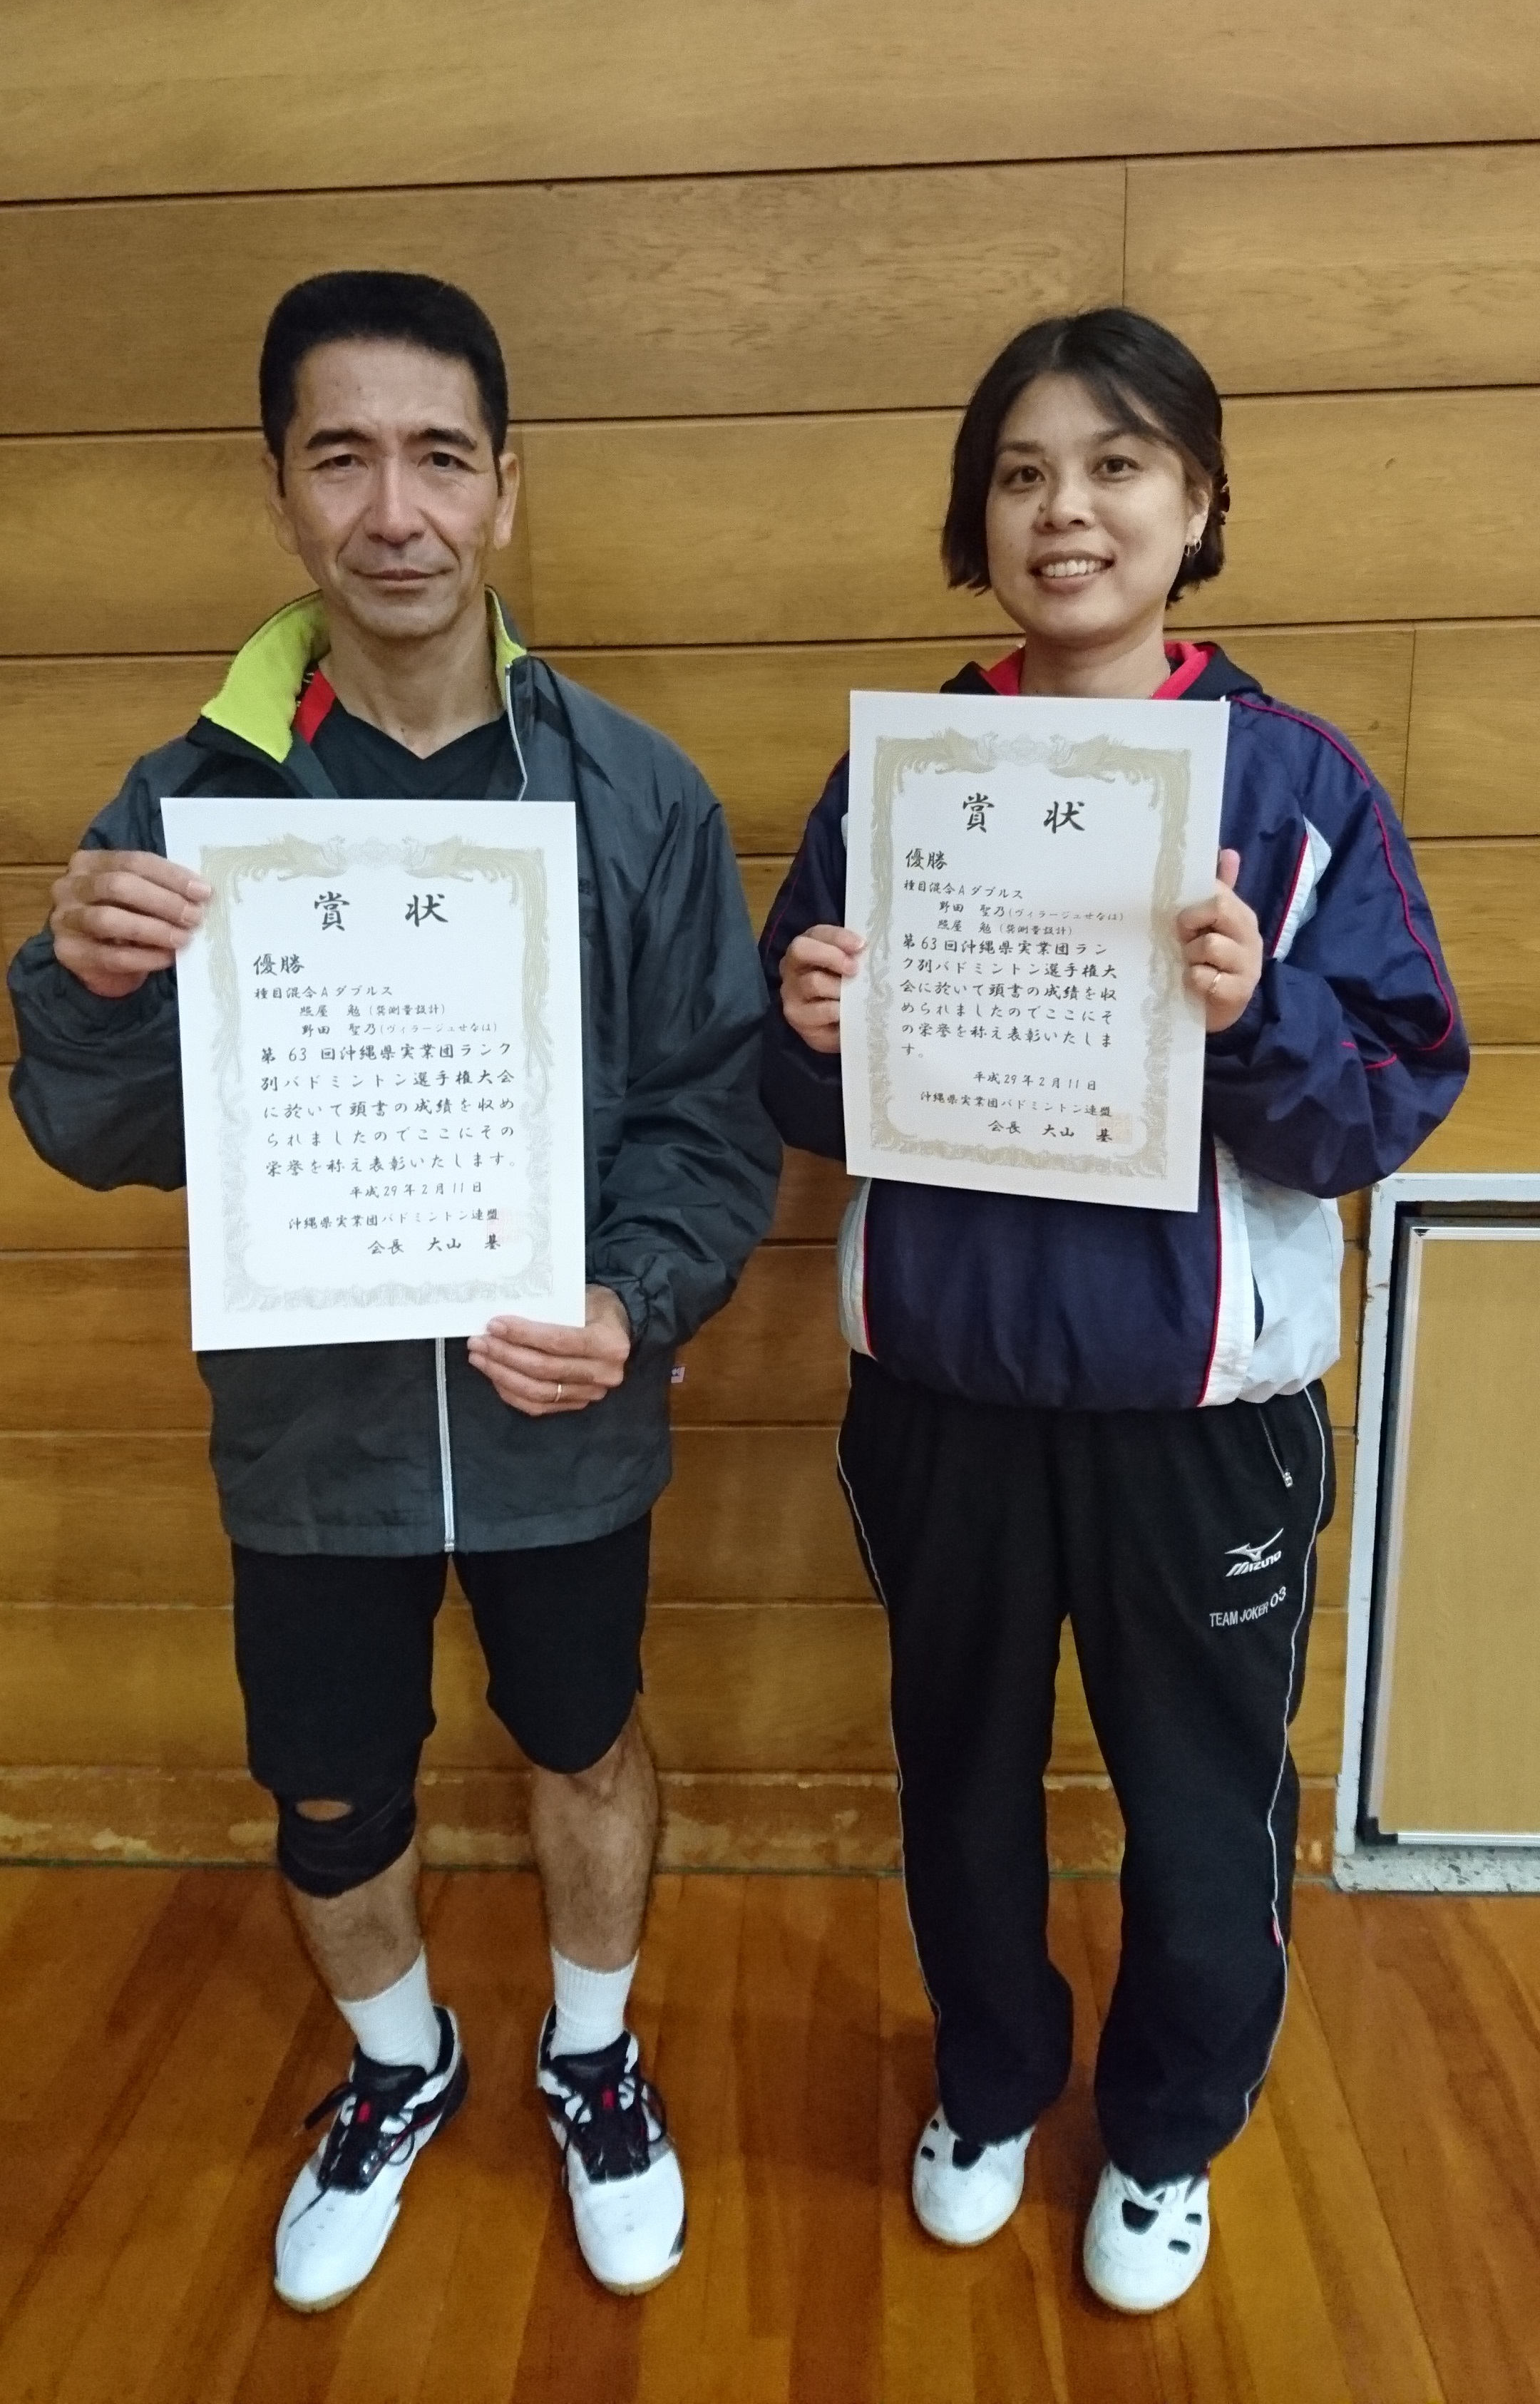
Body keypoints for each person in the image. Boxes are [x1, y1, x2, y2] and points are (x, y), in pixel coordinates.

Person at [9, 269, 781, 2312]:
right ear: (277, 491)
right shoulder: (188, 812)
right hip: (313, 1442)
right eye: (341, 458)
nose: (395, 509)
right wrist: (83, 987)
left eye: (440, 457)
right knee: (334, 1789)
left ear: (506, 487)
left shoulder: (634, 794)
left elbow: (710, 1112)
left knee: (582, 1740)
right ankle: (401, 2063)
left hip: (563, 1416)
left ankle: (592, 2059)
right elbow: (94, 1132)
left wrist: (634, 1299)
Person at [759, 307, 1466, 2315]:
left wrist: (1261, 1014)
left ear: (1200, 502)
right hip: (947, 1397)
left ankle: (1165, 2137)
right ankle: (991, 2085)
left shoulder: (1295, 781)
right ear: (978, 516)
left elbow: (1394, 1092)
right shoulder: (902, 778)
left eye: (1117, 464)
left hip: (1200, 1416)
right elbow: (799, 1091)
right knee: (962, 1779)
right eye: (1022, 473)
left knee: (1201, 1807)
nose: (1065, 510)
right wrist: (806, 1030)